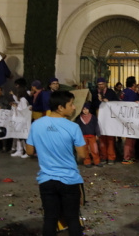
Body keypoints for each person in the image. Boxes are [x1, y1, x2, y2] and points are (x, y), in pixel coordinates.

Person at [25, 90, 86, 236]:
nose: (74, 108)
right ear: (60, 107)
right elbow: (82, 155)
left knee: (50, 219)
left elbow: (28, 151)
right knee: (72, 218)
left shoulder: (37, 124)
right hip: (69, 180)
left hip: (46, 180)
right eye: (71, 104)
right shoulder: (73, 127)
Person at [91, 77, 118, 165]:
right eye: (99, 85)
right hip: (99, 118)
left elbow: (117, 103)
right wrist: (99, 101)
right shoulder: (94, 93)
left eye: (102, 84)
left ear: (105, 84)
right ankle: (103, 156)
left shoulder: (111, 92)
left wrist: (108, 101)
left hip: (110, 119)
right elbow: (92, 105)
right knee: (101, 138)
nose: (101, 86)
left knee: (110, 139)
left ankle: (111, 157)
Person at [75, 102, 103, 168]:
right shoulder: (79, 118)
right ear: (81, 110)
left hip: (92, 136)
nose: (85, 111)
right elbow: (77, 127)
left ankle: (97, 161)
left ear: (89, 109)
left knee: (95, 150)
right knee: (85, 150)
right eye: (84, 109)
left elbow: (96, 126)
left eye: (87, 109)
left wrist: (97, 134)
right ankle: (87, 162)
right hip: (83, 137)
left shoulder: (93, 117)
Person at [121, 76, 139, 164]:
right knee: (130, 139)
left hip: (124, 117)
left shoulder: (123, 92)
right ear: (133, 84)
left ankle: (131, 156)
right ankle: (127, 157)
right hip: (131, 118)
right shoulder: (132, 93)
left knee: (130, 138)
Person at [9, 86, 31, 158]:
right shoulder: (22, 99)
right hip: (20, 120)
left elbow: (24, 110)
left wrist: (16, 107)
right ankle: (19, 150)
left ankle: (26, 151)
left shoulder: (23, 99)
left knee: (23, 136)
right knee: (18, 135)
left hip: (22, 120)